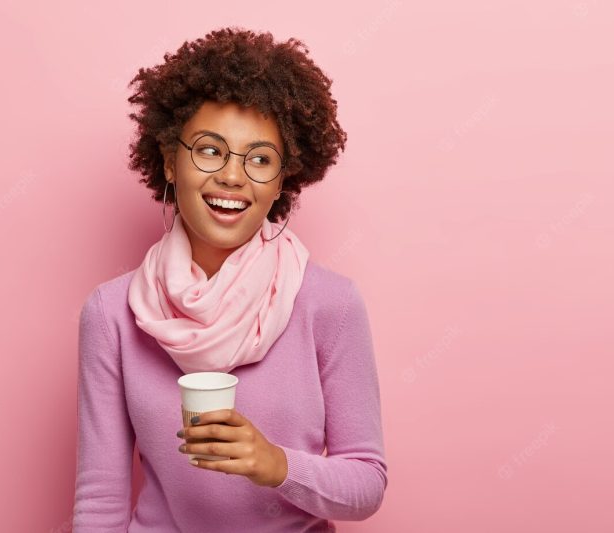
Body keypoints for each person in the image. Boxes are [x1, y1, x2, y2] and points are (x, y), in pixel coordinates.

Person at [72, 27, 388, 532]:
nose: (233, 177)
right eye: (210, 150)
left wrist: (275, 465)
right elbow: (100, 499)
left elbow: (366, 484)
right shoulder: (112, 313)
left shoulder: (331, 303)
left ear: (283, 180)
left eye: (260, 159)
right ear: (171, 162)